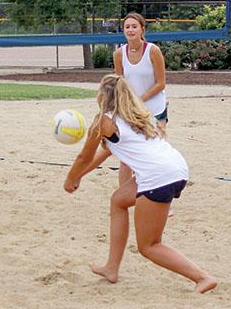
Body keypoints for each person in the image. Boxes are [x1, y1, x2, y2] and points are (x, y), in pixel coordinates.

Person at [63, 74, 217, 293]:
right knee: (118, 200)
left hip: (158, 175)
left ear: (101, 97)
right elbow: (104, 153)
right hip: (176, 167)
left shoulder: (103, 121)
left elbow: (84, 157)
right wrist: (78, 177)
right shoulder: (137, 117)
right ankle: (111, 268)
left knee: (149, 246)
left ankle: (202, 277)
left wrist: (70, 179)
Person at [113, 12, 168, 193]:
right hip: (131, 110)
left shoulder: (153, 50)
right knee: (126, 156)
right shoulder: (119, 54)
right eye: (127, 27)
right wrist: (124, 105)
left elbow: (161, 83)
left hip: (155, 107)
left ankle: (163, 197)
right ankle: (125, 196)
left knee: (156, 152)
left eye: (134, 26)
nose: (130, 29)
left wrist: (140, 99)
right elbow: (120, 84)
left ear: (142, 29)